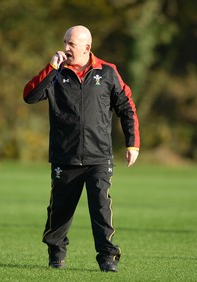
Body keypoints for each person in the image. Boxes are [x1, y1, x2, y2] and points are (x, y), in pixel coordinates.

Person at [23, 25, 140, 272]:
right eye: (65, 42)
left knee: (101, 209)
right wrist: (51, 68)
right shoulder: (56, 73)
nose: (66, 48)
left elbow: (127, 106)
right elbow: (30, 95)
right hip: (65, 157)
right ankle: (56, 254)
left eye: (71, 44)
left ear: (87, 47)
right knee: (59, 212)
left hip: (99, 157)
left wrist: (133, 143)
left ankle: (108, 258)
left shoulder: (107, 72)